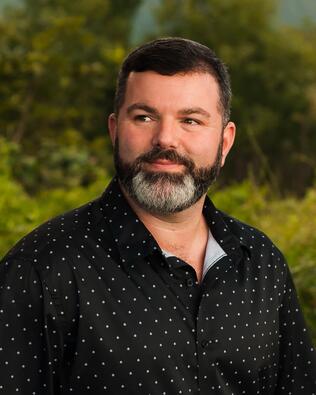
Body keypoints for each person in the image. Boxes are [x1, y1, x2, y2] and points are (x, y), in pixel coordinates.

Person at [0, 37, 315, 395]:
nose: (166, 140)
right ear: (115, 130)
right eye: (144, 117)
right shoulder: (40, 270)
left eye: (191, 120)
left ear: (224, 143)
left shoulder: (261, 261)